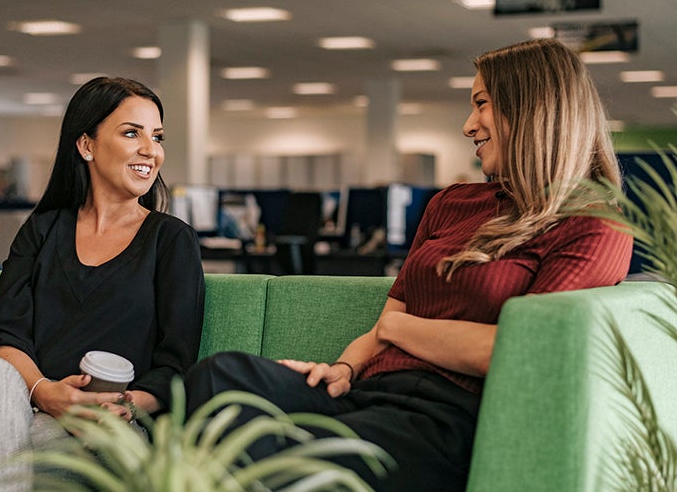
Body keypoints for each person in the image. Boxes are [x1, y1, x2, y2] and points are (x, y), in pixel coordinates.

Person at [184, 38, 633, 491]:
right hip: (369, 391)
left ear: (534, 109)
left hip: (445, 416)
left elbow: (518, 351)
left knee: (298, 461)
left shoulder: (591, 224)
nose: (467, 125)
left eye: (481, 104)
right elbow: (391, 314)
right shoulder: (451, 204)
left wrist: (398, 331)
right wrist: (344, 369)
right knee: (219, 377)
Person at [0, 77, 205, 491]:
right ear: (86, 145)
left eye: (157, 136)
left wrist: (118, 407)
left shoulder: (170, 239)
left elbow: (175, 365)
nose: (150, 151)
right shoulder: (41, 231)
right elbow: (3, 334)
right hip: (19, 405)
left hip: (104, 429)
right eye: (131, 132)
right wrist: (46, 393)